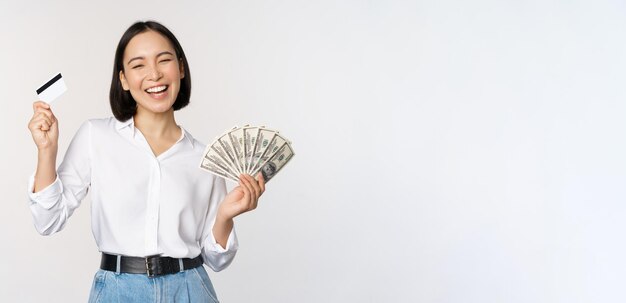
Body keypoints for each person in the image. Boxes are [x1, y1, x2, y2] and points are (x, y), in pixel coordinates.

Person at [27, 20, 265, 302]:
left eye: (164, 60)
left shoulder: (205, 158)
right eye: (138, 65)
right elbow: (48, 221)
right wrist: (47, 151)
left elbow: (217, 260)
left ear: (181, 68)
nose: (154, 74)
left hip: (190, 289)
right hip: (117, 291)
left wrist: (225, 215)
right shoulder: (95, 136)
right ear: (124, 79)